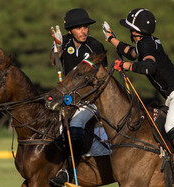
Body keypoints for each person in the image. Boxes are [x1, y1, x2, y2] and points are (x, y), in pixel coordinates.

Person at [102, 8, 174, 187]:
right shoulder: (146, 43)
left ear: (137, 31)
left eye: (130, 28)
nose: (130, 32)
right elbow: (132, 52)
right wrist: (112, 39)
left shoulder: (145, 44)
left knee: (172, 127)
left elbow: (149, 67)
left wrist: (125, 66)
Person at [49, 8, 108, 186]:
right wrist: (57, 45)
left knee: (75, 123)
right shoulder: (63, 41)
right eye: (79, 28)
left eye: (85, 27)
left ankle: (69, 172)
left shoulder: (95, 46)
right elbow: (54, 60)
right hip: (67, 98)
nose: (84, 31)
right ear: (70, 31)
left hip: (90, 98)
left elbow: (102, 77)